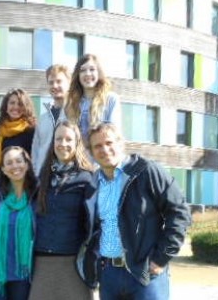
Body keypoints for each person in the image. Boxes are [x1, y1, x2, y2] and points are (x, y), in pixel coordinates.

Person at [78, 123, 191, 300]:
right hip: (108, 275)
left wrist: (161, 258)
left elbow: (179, 212)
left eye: (109, 143)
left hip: (145, 275)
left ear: (121, 143)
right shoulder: (93, 184)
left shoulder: (146, 171)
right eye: (97, 146)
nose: (104, 149)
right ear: (91, 152)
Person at [29, 121, 96, 300]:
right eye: (59, 139)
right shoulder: (41, 177)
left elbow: (94, 223)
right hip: (42, 261)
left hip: (73, 263)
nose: (63, 144)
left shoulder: (87, 179)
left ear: (76, 144)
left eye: (68, 139)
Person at [0, 146, 37, 300]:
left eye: (19, 161)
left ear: (27, 164)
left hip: (22, 272)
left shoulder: (37, 195)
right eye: (9, 163)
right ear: (3, 169)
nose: (15, 166)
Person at [65, 54, 122, 146]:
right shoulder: (71, 103)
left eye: (92, 69)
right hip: (77, 157)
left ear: (99, 73)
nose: (87, 73)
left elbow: (113, 134)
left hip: (101, 156)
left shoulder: (111, 99)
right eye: (83, 70)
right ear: (78, 75)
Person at [31, 64, 71, 176]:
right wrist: (36, 175)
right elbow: (35, 151)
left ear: (69, 83)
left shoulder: (77, 114)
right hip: (43, 180)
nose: (55, 85)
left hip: (68, 179)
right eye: (51, 82)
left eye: (59, 81)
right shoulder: (43, 119)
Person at [0, 88, 36, 172]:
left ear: (26, 107)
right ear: (6, 107)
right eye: (12, 103)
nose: (16, 107)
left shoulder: (31, 131)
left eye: (20, 104)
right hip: (0, 181)